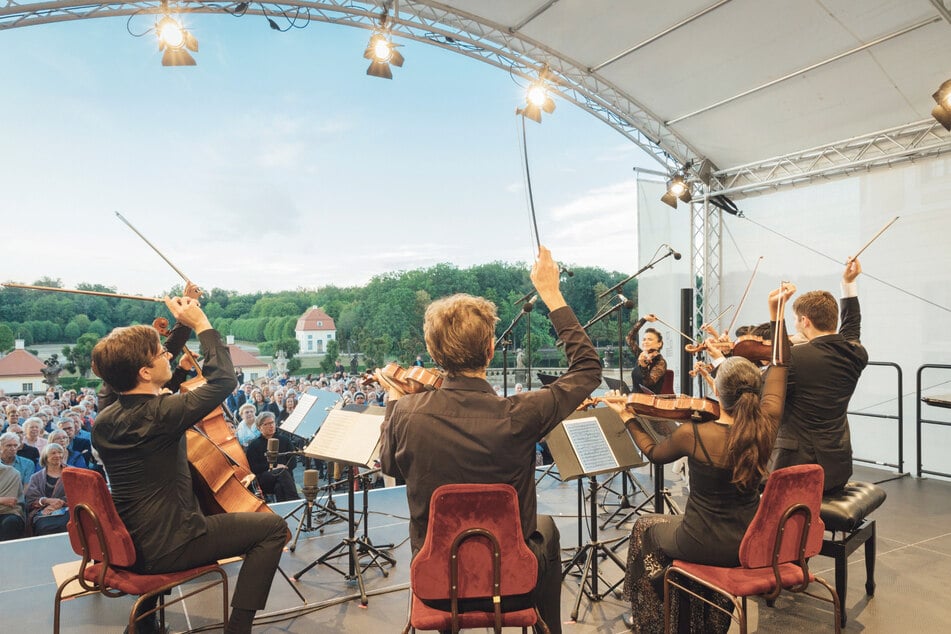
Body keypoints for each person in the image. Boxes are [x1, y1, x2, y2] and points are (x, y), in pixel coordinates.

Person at [381, 246, 601, 634]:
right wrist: (551, 293)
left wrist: (393, 406)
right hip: (513, 585)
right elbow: (587, 369)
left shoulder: (405, 412)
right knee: (545, 530)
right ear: (490, 349)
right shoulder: (520, 415)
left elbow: (389, 468)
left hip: (435, 583)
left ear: (433, 352)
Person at [91, 295, 287, 634]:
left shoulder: (106, 415)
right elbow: (225, 381)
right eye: (161, 353)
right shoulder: (161, 414)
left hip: (128, 543)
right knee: (272, 529)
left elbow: (152, 381)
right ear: (144, 371)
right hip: (173, 544)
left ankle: (145, 625)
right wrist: (201, 324)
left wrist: (180, 323)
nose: (168, 354)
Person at [605, 284, 793, 633]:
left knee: (645, 528)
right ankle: (699, 612)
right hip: (751, 541)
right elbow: (780, 364)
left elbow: (653, 454)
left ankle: (653, 618)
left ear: (717, 391)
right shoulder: (766, 424)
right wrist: (777, 314)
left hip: (702, 541)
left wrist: (627, 416)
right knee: (655, 530)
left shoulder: (694, 434)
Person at [771, 258, 868, 492]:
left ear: (805, 321)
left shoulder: (794, 358)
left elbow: (767, 386)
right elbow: (851, 327)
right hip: (837, 468)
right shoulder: (856, 353)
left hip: (796, 471)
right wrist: (848, 283)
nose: (795, 326)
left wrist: (776, 313)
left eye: (795, 320)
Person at [246, 412, 299, 502]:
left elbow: (293, 462)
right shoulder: (253, 445)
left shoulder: (285, 440)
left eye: (272, 423)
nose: (271, 426)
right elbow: (253, 468)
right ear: (259, 427)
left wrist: (282, 468)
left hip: (285, 479)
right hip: (265, 479)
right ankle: (296, 501)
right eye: (266, 424)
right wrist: (275, 467)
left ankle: (284, 510)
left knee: (279, 487)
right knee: (282, 472)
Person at [24, 442, 70, 536]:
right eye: (53, 453)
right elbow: (31, 499)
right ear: (45, 457)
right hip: (43, 512)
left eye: (60, 452)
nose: (57, 455)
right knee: (44, 527)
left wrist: (58, 504)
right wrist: (46, 501)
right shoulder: (36, 477)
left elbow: (78, 494)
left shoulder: (72, 473)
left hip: (68, 510)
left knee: (67, 524)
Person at [625, 314, 667, 394]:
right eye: (644, 339)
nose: (645, 342)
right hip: (634, 398)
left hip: (648, 402)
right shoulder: (641, 355)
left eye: (650, 339)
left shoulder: (660, 362)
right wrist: (644, 319)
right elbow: (629, 338)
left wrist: (644, 367)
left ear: (659, 344)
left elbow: (648, 385)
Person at [0, 462, 25, 540]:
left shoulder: (12, 473)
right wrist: (2, 500)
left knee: (10, 522)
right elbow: (6, 501)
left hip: (8, 513)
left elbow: (11, 501)